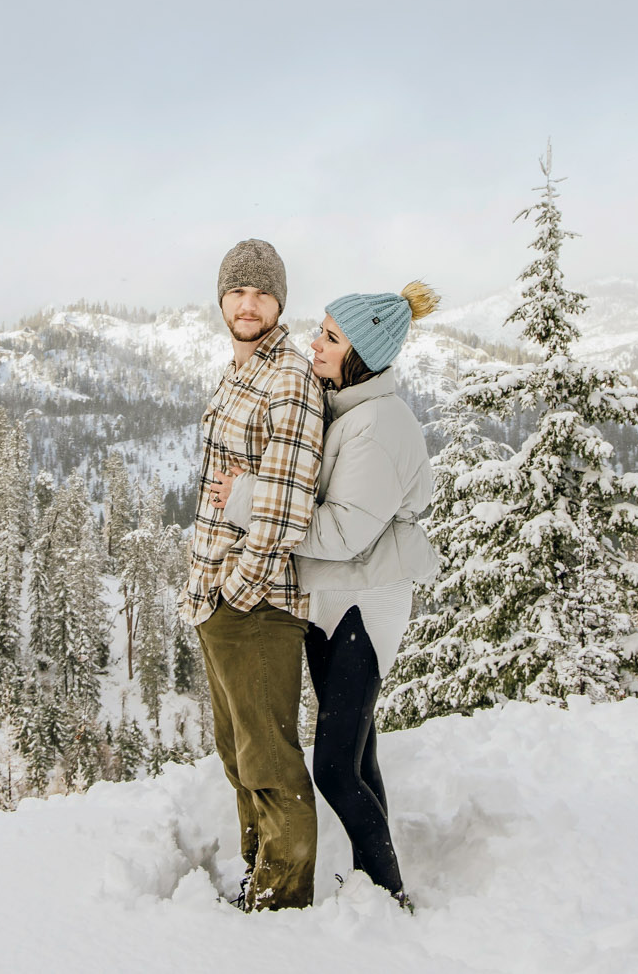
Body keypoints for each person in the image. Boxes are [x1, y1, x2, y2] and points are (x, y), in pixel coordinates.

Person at [213, 281, 440, 905]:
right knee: (358, 756)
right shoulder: (350, 408)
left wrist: (246, 502)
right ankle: (378, 877)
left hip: (363, 606)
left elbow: (340, 531)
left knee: (335, 766)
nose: (316, 344)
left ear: (360, 354)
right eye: (320, 330)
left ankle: (390, 891)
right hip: (338, 601)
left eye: (331, 339)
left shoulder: (377, 426)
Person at [179, 239, 328, 911]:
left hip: (258, 603)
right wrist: (207, 594)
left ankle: (284, 903)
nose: (248, 303)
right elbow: (223, 490)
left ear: (279, 304)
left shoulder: (288, 378)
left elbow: (285, 503)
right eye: (238, 291)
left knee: (269, 760)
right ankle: (258, 873)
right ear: (222, 299)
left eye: (262, 293)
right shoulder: (236, 374)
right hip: (219, 598)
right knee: (239, 756)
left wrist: (236, 592)